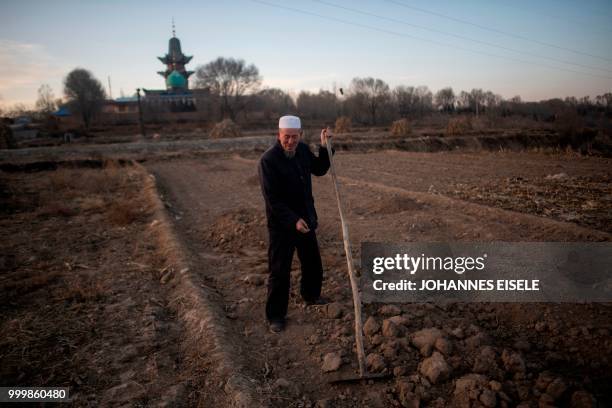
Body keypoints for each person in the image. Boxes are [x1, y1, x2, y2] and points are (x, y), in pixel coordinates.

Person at [258, 115, 334, 333]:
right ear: (278, 135)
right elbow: (272, 200)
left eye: (294, 137)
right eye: (286, 137)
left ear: (300, 135)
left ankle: (311, 296)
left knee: (312, 262)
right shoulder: (268, 161)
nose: (290, 141)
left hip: (306, 219)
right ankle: (275, 316)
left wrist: (324, 146)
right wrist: (293, 220)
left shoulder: (301, 151)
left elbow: (319, 169)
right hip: (282, 224)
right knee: (280, 270)